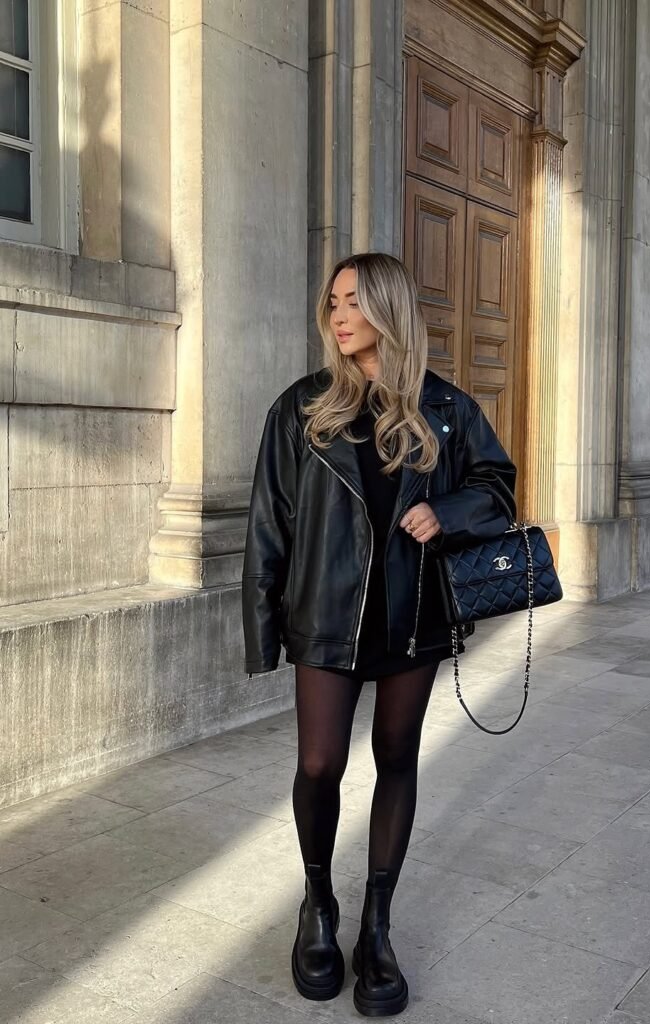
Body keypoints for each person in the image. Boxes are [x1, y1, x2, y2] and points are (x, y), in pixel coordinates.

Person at [242, 252, 516, 1016]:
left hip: (412, 616)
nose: (338, 315)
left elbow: (496, 487)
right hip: (325, 616)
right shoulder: (301, 408)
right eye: (332, 301)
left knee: (396, 758)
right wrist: (262, 630)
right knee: (319, 763)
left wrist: (446, 512)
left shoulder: (447, 408)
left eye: (354, 301)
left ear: (389, 309)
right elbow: (268, 523)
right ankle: (317, 904)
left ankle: (376, 925)